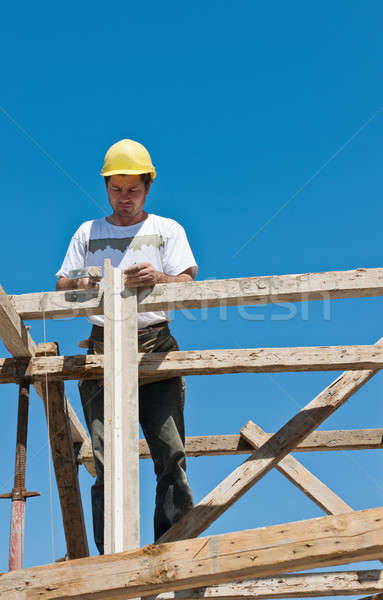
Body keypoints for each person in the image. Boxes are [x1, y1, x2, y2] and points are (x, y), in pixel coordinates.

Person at [55, 139, 198, 554]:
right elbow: (63, 287)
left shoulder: (167, 230)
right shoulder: (89, 232)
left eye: (132, 189)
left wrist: (158, 278)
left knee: (170, 454)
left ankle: (171, 552)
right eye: (116, 189)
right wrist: (87, 281)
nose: (124, 198)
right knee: (107, 461)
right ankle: (112, 560)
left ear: (147, 188)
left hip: (155, 347)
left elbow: (187, 284)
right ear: (106, 188)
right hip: (102, 351)